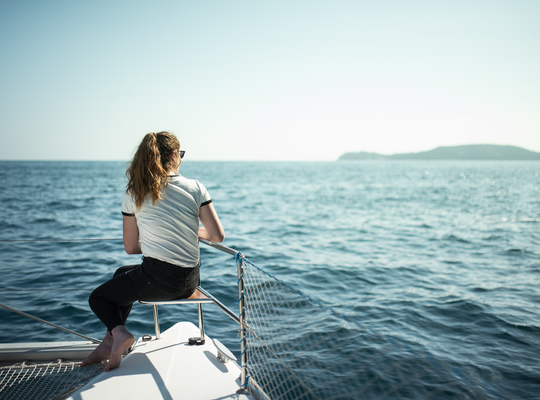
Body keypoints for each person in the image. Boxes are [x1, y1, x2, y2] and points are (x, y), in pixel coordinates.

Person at [81, 131, 225, 371]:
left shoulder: (134, 192)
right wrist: (187, 230)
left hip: (160, 281)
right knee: (121, 274)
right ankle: (110, 341)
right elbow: (217, 236)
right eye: (180, 154)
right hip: (190, 280)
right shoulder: (196, 187)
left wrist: (155, 238)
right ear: (172, 156)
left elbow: (130, 247)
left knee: (99, 297)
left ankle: (120, 334)